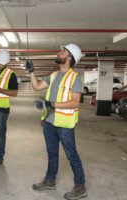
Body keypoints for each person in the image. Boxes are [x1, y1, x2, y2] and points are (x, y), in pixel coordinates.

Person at [26, 44, 87, 200]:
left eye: (63, 51)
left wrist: (51, 104)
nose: (59, 53)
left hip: (65, 125)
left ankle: (80, 186)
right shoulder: (54, 75)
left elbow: (74, 102)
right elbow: (37, 86)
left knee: (71, 155)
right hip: (49, 122)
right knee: (52, 153)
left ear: (69, 57)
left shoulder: (75, 78)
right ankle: (50, 180)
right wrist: (31, 72)